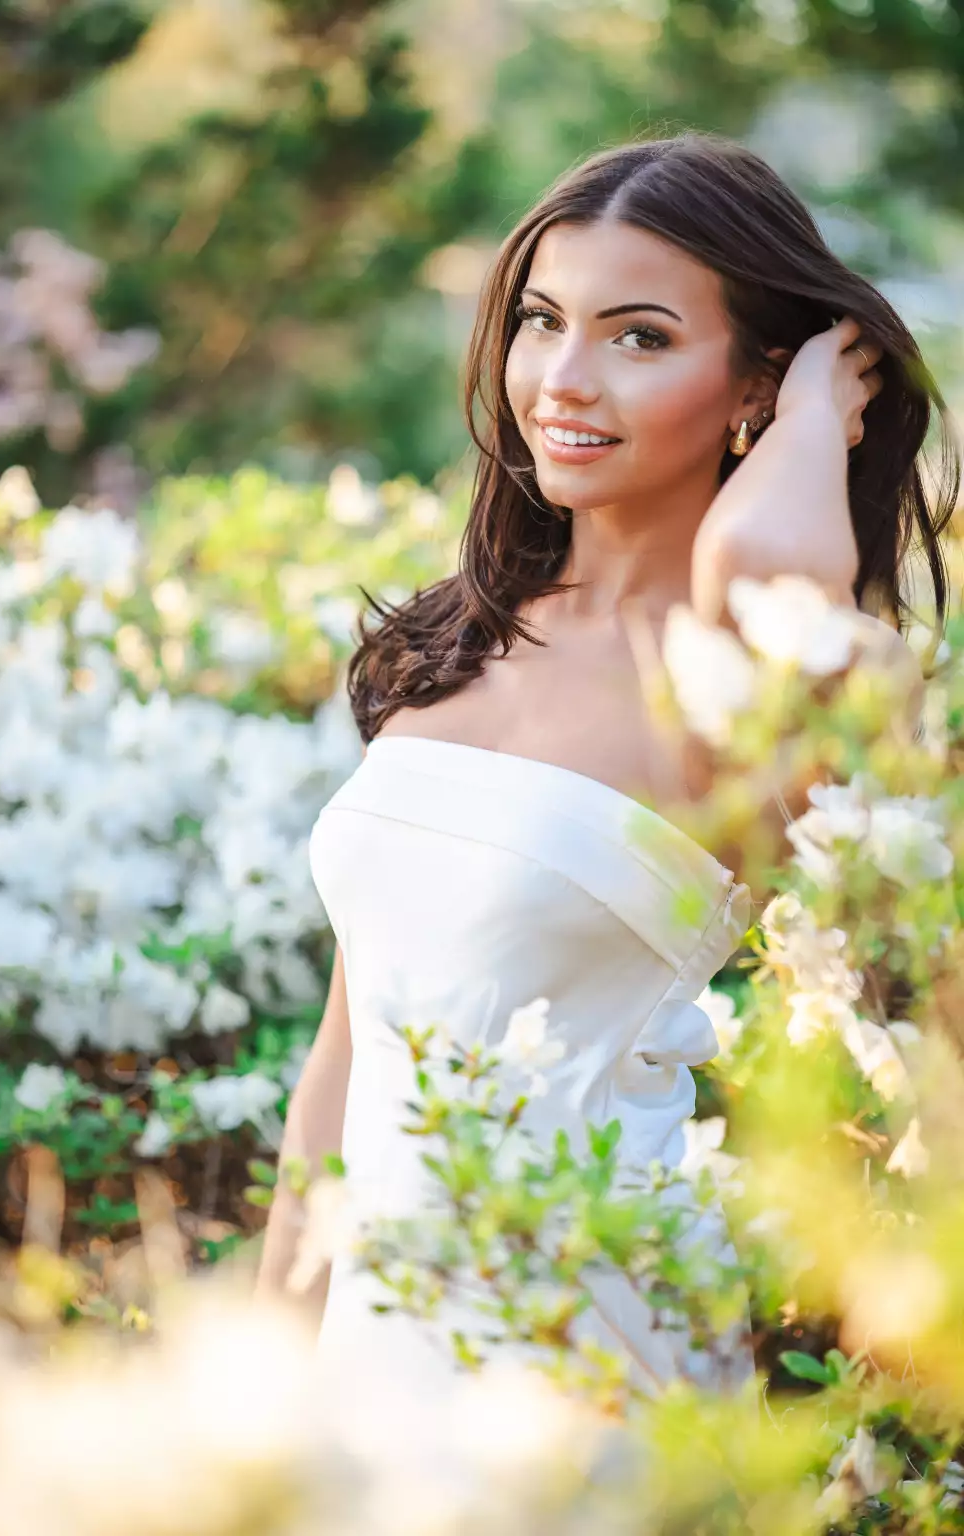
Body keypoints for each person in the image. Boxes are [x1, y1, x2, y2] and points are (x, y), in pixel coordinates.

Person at [255, 132, 957, 1396]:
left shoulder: (774, 674)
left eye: (638, 337)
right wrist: (259, 1384)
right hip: (373, 1366)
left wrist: (797, 457)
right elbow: (347, 1065)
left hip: (583, 1373)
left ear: (755, 385)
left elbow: (946, 1020)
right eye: (541, 321)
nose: (561, 381)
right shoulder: (458, 641)